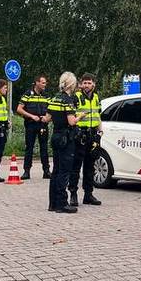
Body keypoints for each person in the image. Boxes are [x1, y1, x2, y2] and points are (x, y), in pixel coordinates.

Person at [47, 72, 80, 213]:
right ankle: (62, 203)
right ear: (71, 84)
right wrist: (80, 116)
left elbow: (47, 118)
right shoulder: (68, 100)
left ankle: (52, 203)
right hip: (66, 138)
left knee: (56, 170)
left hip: (56, 136)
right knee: (64, 171)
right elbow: (71, 121)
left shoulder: (54, 98)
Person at [69, 73, 103, 207]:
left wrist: (100, 132)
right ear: (80, 84)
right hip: (80, 135)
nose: (87, 85)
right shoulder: (76, 97)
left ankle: (88, 194)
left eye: (89, 83)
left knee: (90, 166)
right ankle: (73, 194)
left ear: (94, 84)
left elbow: (98, 116)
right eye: (85, 83)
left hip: (93, 135)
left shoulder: (96, 97)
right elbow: (70, 116)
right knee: (76, 167)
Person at [16, 74, 52, 180]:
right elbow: (19, 109)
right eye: (43, 83)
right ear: (37, 82)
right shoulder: (28, 94)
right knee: (29, 148)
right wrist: (31, 116)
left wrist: (47, 118)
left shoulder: (46, 96)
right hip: (31, 124)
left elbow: (52, 109)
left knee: (44, 148)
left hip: (43, 124)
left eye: (45, 83)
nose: (45, 85)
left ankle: (46, 171)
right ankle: (26, 171)